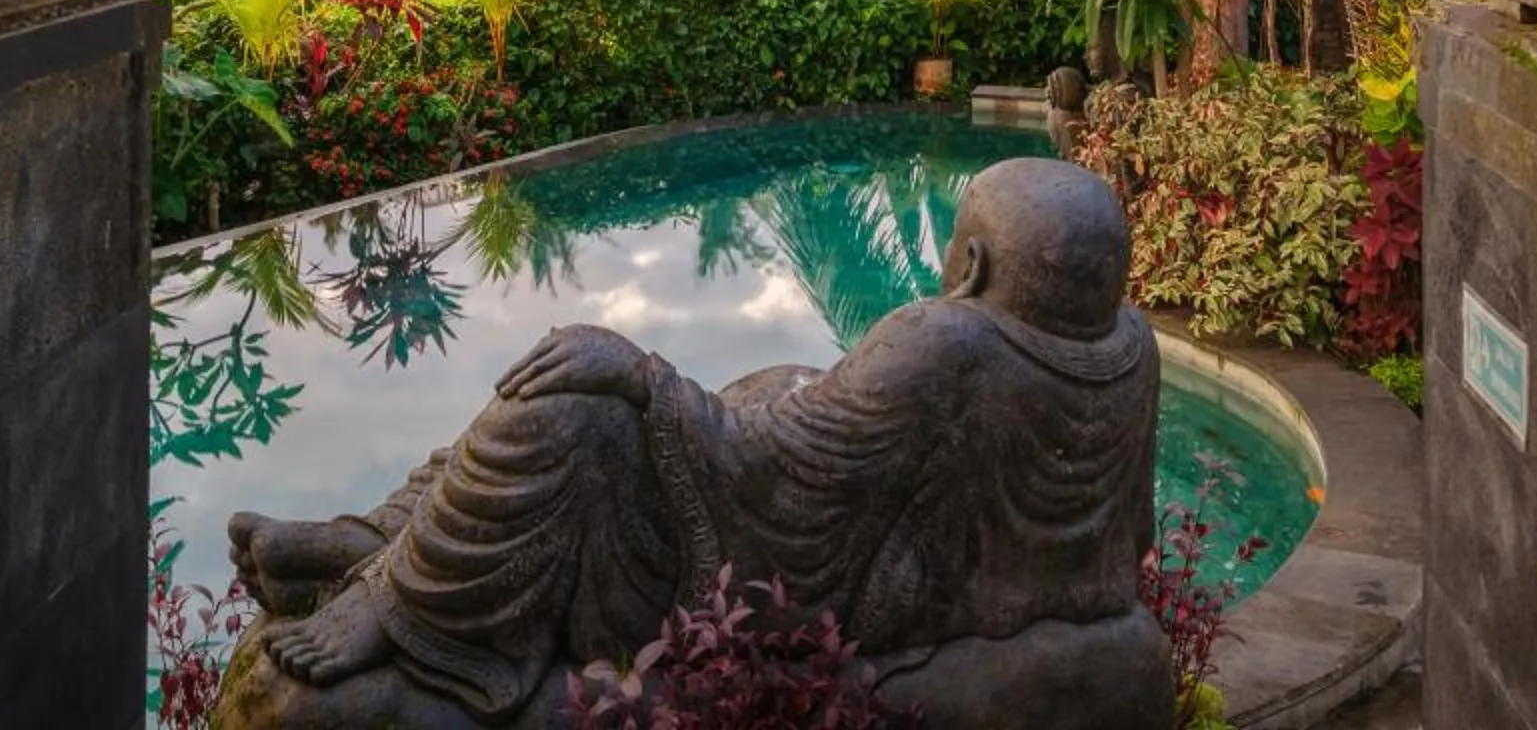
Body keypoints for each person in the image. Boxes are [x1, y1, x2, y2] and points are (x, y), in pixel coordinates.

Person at [223, 157, 1175, 729]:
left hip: (801, 597)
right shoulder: (1126, 347)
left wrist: (640, 374)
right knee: (752, 386)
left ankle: (407, 608)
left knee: (567, 411)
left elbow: (770, 468)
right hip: (908, 592)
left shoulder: (949, 336)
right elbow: (1122, 543)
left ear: (967, 266)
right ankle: (383, 538)